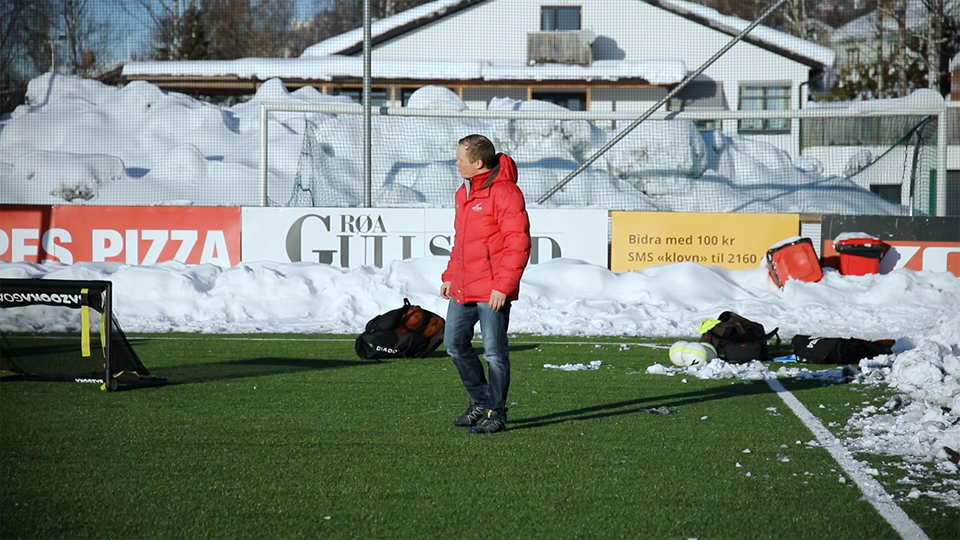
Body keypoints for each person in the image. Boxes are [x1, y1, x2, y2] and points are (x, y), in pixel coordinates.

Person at [441, 134, 531, 434]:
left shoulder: (505, 192)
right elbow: (462, 243)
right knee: (454, 345)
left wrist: (503, 286)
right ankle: (479, 401)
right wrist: (450, 276)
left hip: (493, 289)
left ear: (478, 163)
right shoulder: (463, 192)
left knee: (494, 352)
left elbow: (518, 243)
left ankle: (497, 412)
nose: (456, 162)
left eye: (461, 158)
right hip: (464, 286)